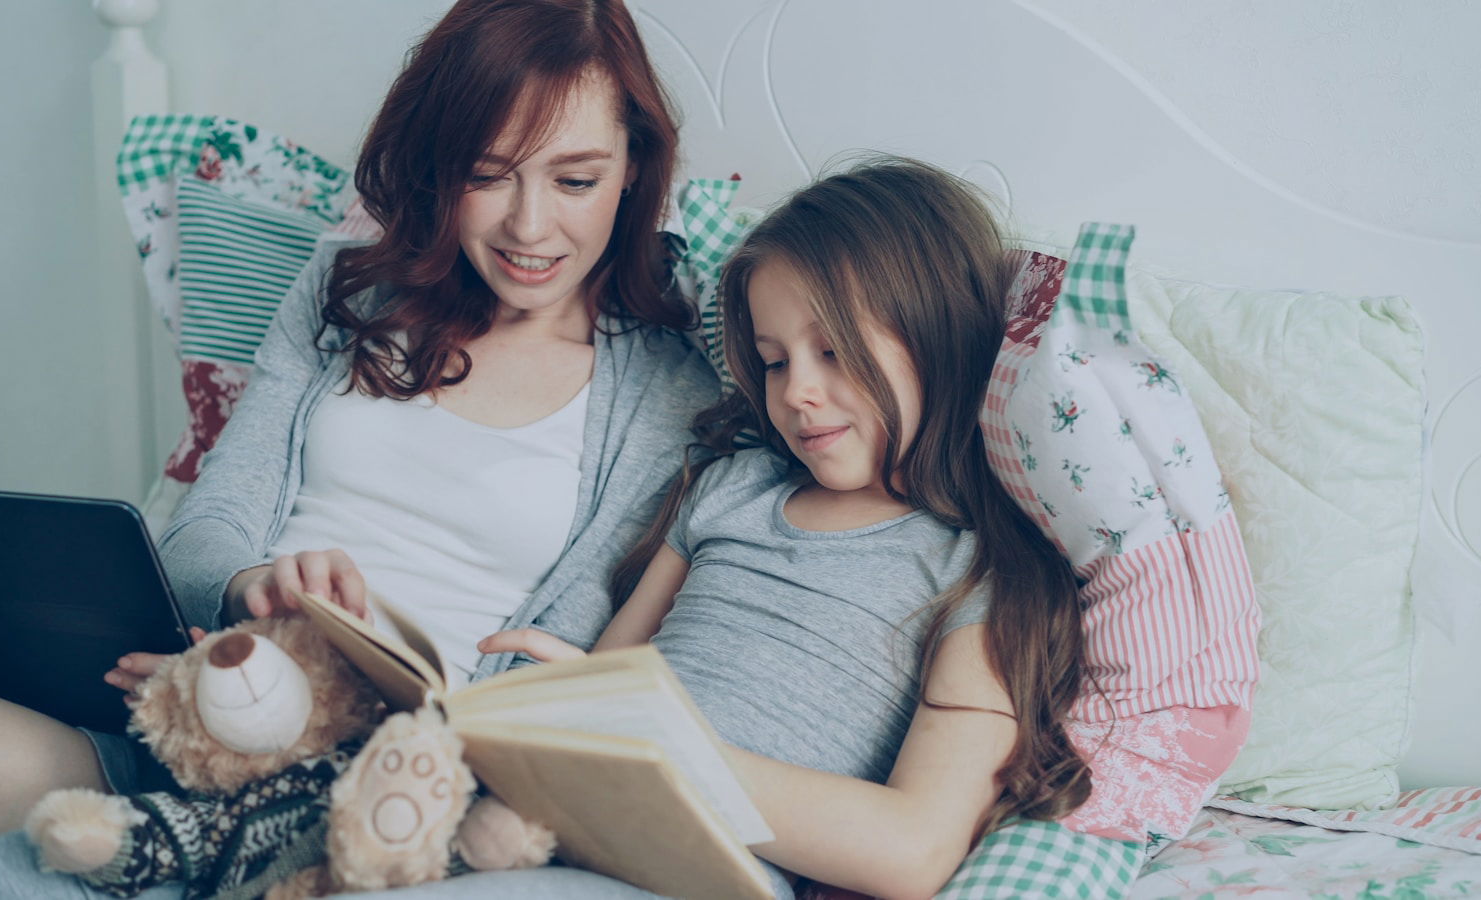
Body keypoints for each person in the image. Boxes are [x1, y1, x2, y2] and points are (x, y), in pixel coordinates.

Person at [0, 0, 717, 871]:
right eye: (488, 173)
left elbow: (573, 657)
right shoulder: (345, 292)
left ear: (633, 170)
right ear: (437, 167)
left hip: (395, 793)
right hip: (210, 718)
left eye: (574, 180)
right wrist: (254, 589)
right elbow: (203, 533)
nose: (529, 227)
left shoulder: (668, 389)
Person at [374, 158, 1093, 899]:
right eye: (774, 362)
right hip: (582, 831)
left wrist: (673, 753)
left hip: (705, 873)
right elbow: (611, 681)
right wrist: (547, 709)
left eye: (833, 351)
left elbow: (912, 850)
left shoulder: (980, 572)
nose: (797, 394)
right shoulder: (736, 487)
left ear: (939, 335)